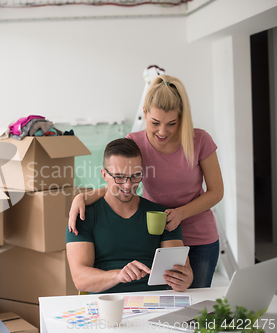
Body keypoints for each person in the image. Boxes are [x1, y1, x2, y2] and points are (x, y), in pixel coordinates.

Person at [68, 75, 223, 288]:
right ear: (145, 113)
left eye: (172, 124)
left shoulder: (200, 141)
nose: (162, 131)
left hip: (198, 236)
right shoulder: (135, 143)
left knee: (194, 303)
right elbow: (119, 179)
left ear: (182, 118)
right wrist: (83, 197)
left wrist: (180, 214)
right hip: (157, 231)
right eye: (155, 123)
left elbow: (216, 192)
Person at [65, 138, 193, 293]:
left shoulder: (162, 215)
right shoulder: (83, 216)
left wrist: (185, 279)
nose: (128, 185)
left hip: (156, 302)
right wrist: (119, 276)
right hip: (107, 305)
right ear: (104, 175)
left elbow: (179, 269)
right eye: (119, 177)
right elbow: (80, 279)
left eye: (135, 176)